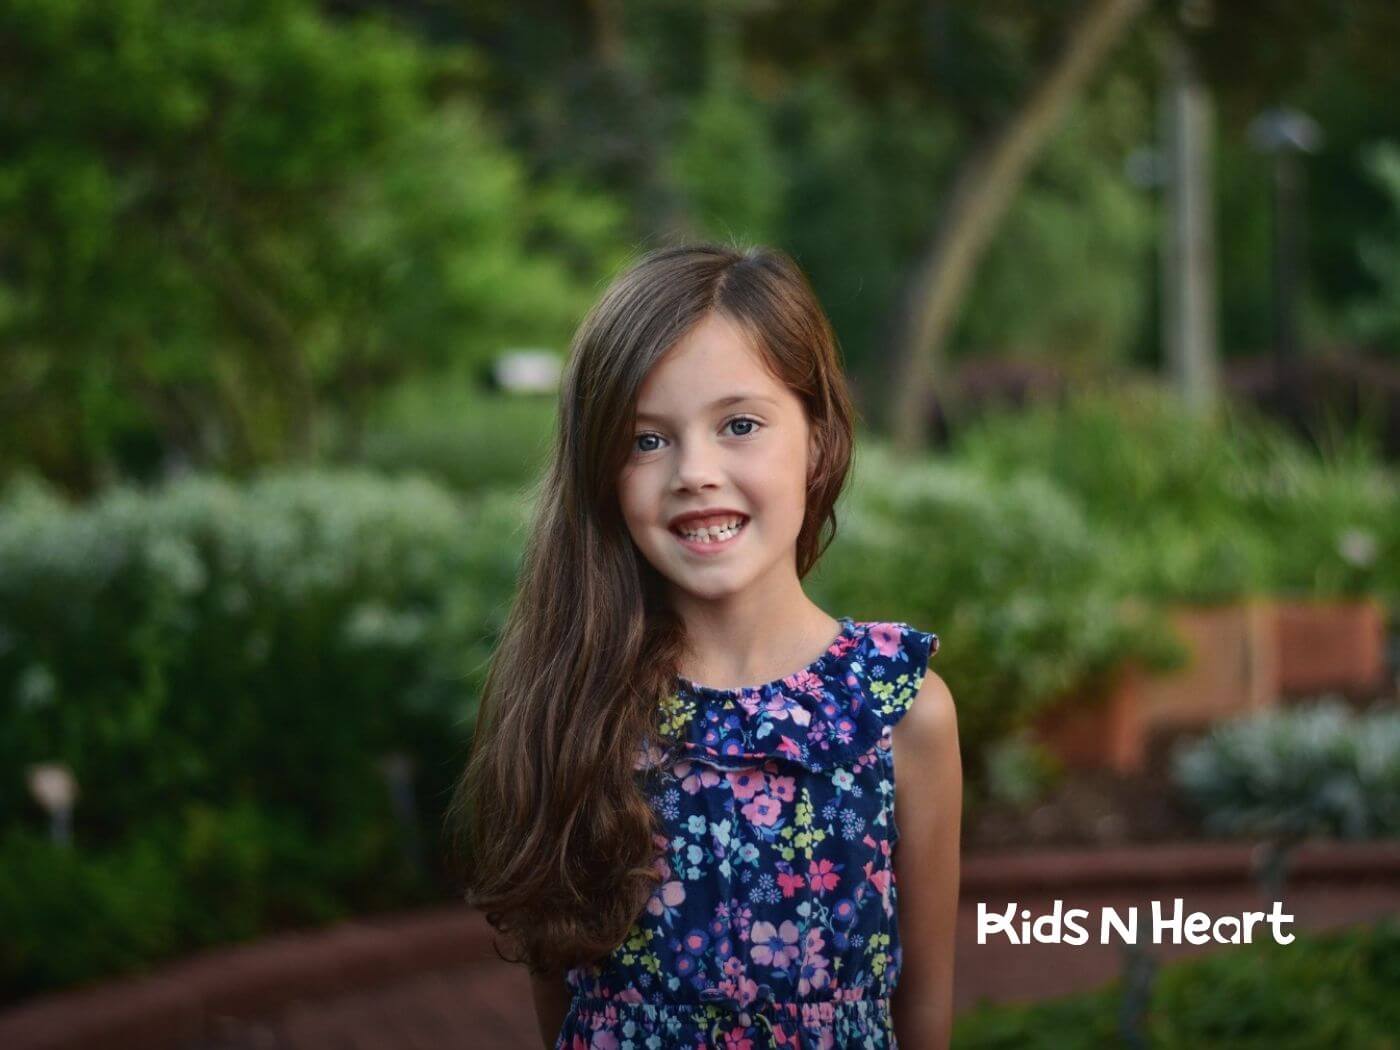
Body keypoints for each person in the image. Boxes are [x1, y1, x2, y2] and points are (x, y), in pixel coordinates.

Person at [453, 243, 961, 1049]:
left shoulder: (903, 714)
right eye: (646, 440)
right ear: (602, 472)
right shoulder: (575, 703)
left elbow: (925, 1014)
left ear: (819, 440)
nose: (694, 471)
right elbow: (562, 1013)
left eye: (740, 425)